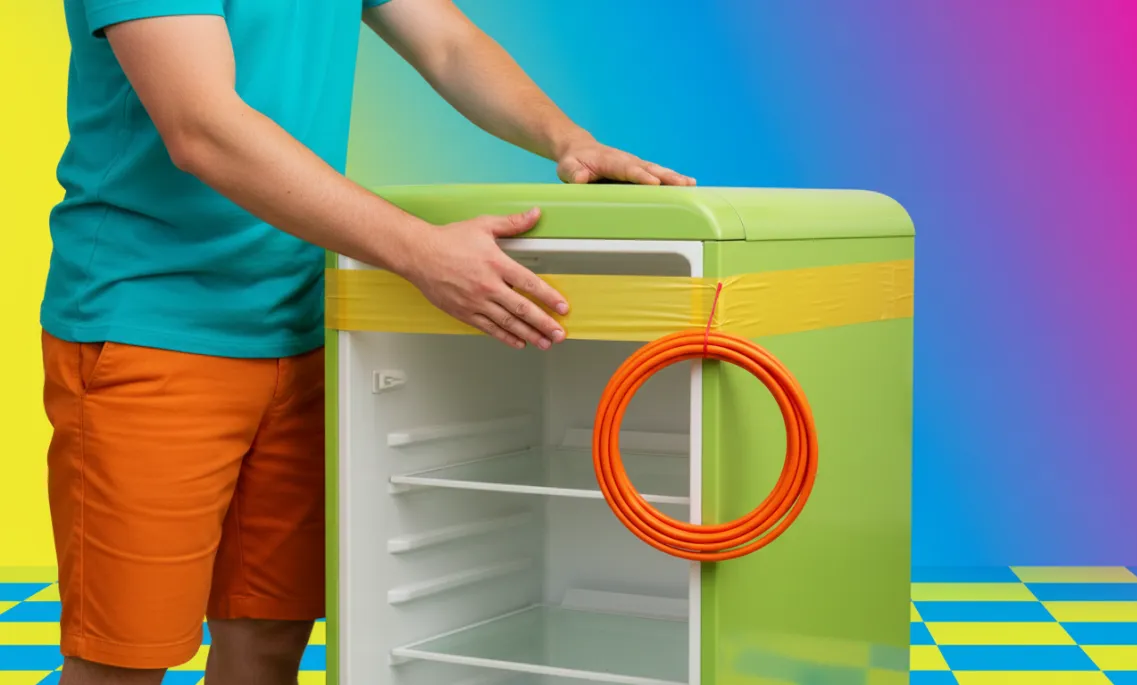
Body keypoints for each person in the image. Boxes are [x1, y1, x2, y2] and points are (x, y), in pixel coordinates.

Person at [40, 0, 694, 683]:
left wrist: (567, 138)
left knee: (268, 639)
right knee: (122, 664)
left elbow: (446, 41)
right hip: (152, 328)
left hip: (302, 325)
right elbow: (202, 125)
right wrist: (420, 253)